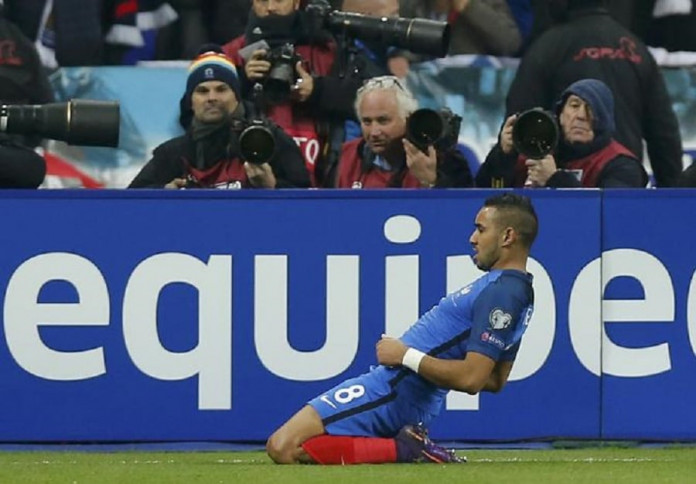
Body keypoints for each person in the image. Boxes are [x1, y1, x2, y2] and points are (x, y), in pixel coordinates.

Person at [266, 192, 538, 465]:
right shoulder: (516, 292)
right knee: (304, 446)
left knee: (283, 446)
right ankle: (406, 446)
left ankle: (408, 450)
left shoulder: (502, 293)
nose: (472, 238)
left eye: (481, 229)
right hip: (409, 397)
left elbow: (473, 379)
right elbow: (495, 380)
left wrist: (404, 355)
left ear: (507, 237)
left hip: (391, 391)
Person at [505, 0, 682, 187]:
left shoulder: (548, 46)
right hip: (624, 179)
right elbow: (664, 134)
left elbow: (520, 119)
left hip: (560, 185)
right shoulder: (635, 48)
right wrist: (673, 198)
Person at [128, 46, 309, 189]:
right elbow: (129, 204)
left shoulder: (269, 140)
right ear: (191, 101)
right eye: (202, 91)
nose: (212, 98)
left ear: (237, 96)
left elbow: (308, 205)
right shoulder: (172, 154)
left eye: (221, 89)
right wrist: (164, 194)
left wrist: (272, 187)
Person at [476, 78, 648, 188]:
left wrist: (555, 179)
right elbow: (485, 197)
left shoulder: (621, 165)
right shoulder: (532, 150)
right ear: (560, 114)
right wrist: (503, 155)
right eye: (574, 106)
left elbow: (611, 217)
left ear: (604, 119)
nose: (580, 116)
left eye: (591, 109)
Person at [334, 75, 473, 188]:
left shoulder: (443, 159)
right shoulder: (345, 156)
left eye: (383, 121)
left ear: (407, 119)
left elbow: (466, 214)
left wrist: (432, 182)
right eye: (367, 122)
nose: (374, 132)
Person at [399, 0, 522, 57]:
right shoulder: (411, 6)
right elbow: (399, 45)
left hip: (471, 92)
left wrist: (470, 7)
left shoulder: (487, 3)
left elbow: (510, 44)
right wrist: (400, 56)